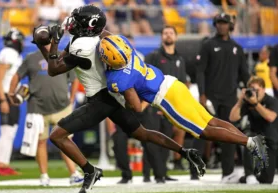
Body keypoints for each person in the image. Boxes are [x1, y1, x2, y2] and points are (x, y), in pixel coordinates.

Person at [33, 5, 205, 193]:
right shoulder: (94, 37)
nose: (72, 23)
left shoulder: (83, 47)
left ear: (87, 27)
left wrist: (51, 43)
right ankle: (185, 152)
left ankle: (90, 171)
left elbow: (53, 69)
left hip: (100, 101)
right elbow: (55, 61)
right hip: (112, 97)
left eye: (77, 20)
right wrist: (43, 45)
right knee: (143, 134)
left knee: (57, 136)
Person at [99, 34, 269, 178]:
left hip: (166, 97)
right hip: (173, 84)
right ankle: (251, 144)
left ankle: (251, 143)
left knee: (204, 131)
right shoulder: (127, 48)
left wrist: (124, 100)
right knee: (211, 121)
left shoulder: (118, 79)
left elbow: (136, 107)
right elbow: (109, 38)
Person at [8, 44, 84, 186]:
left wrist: (72, 98)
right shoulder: (30, 58)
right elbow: (16, 76)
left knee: (65, 140)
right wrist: (11, 94)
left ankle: (74, 173)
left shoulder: (63, 56)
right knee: (40, 142)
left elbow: (74, 78)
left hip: (62, 106)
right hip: (38, 107)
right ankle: (44, 176)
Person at [195, 12, 250, 182]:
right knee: (202, 132)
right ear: (215, 24)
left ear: (229, 25)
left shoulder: (237, 48)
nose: (221, 25)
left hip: (229, 98)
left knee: (228, 134)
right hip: (211, 97)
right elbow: (200, 71)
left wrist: (250, 92)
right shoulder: (208, 45)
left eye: (224, 23)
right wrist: (202, 94)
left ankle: (228, 172)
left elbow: (245, 75)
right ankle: (194, 170)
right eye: (218, 22)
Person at [145, 25, 187, 172]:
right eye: (165, 33)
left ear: (175, 37)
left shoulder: (180, 58)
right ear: (161, 37)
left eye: (171, 33)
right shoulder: (154, 56)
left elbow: (181, 83)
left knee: (168, 137)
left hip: (172, 104)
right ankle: (149, 173)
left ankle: (162, 171)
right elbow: (147, 79)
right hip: (155, 104)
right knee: (153, 138)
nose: (168, 35)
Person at [230, 76, 278, 184]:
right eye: (252, 90)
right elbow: (232, 117)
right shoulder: (247, 102)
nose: (254, 93)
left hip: (271, 142)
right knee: (249, 137)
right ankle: (249, 174)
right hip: (255, 137)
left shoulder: (272, 101)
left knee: (267, 180)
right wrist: (240, 101)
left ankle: (241, 179)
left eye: (257, 90)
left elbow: (270, 117)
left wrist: (256, 104)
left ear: (263, 89)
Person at [0, 28, 25, 176]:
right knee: (6, 132)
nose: (23, 43)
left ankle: (4, 164)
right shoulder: (8, 53)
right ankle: (1, 165)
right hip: (5, 96)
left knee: (10, 132)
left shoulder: (13, 55)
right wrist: (2, 99)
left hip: (10, 97)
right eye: (21, 40)